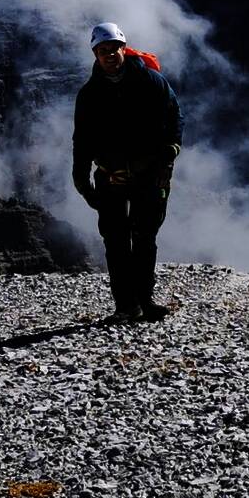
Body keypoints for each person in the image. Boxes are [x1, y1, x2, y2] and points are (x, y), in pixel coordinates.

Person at [72, 22, 183, 323]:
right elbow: (82, 139)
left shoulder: (152, 82)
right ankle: (126, 306)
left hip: (149, 174)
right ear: (95, 53)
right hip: (110, 177)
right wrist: (81, 179)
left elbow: (174, 117)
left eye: (114, 48)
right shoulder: (89, 94)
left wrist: (170, 151)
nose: (109, 55)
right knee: (116, 242)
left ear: (124, 48)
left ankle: (143, 302)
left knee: (145, 237)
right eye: (103, 50)